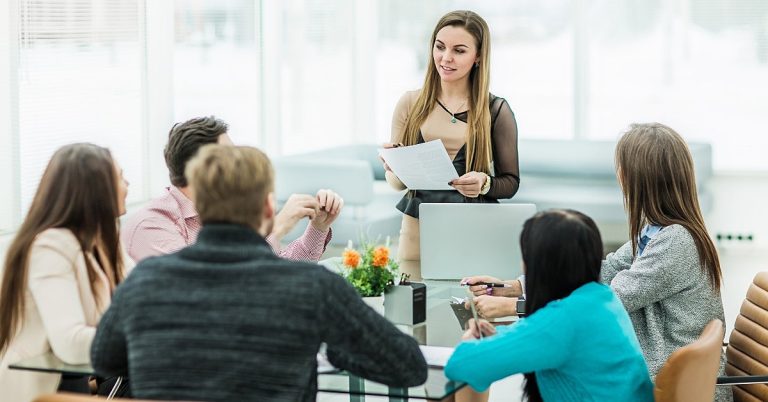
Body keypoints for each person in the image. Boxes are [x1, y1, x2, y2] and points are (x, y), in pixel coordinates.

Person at [91, 145, 428, 401]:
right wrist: (334, 344)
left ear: (201, 208)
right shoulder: (312, 289)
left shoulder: (146, 280)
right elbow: (408, 366)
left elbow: (104, 360)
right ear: (269, 207)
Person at [462, 123, 732, 401]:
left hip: (677, 388)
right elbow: (600, 272)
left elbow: (607, 301)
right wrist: (515, 287)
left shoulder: (675, 241)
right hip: (667, 380)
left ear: (635, 177)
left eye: (621, 167)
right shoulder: (658, 231)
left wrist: (515, 307)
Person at [445, 210, 653, 401]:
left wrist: (470, 341)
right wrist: (499, 338)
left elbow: (461, 365)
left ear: (540, 265)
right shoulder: (602, 299)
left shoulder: (563, 320)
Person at [384, 10, 519, 279]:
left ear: (478, 56)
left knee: (472, 309)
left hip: (473, 226)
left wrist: (485, 183)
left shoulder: (496, 110)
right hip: (417, 227)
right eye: (440, 46)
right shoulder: (410, 104)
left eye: (459, 50)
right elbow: (397, 184)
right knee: (414, 310)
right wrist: (396, 169)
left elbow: (511, 183)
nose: (446, 58)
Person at [0, 143, 132, 401]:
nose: (128, 185)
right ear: (96, 190)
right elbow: (70, 343)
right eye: (120, 177)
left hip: (73, 380)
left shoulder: (103, 239)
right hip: (38, 388)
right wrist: (145, 335)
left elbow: (140, 294)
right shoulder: (49, 246)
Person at [122, 116, 343, 262]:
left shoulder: (227, 210)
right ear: (201, 168)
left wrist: (317, 228)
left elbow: (272, 273)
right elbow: (209, 287)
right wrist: (275, 228)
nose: (239, 163)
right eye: (230, 156)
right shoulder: (151, 225)